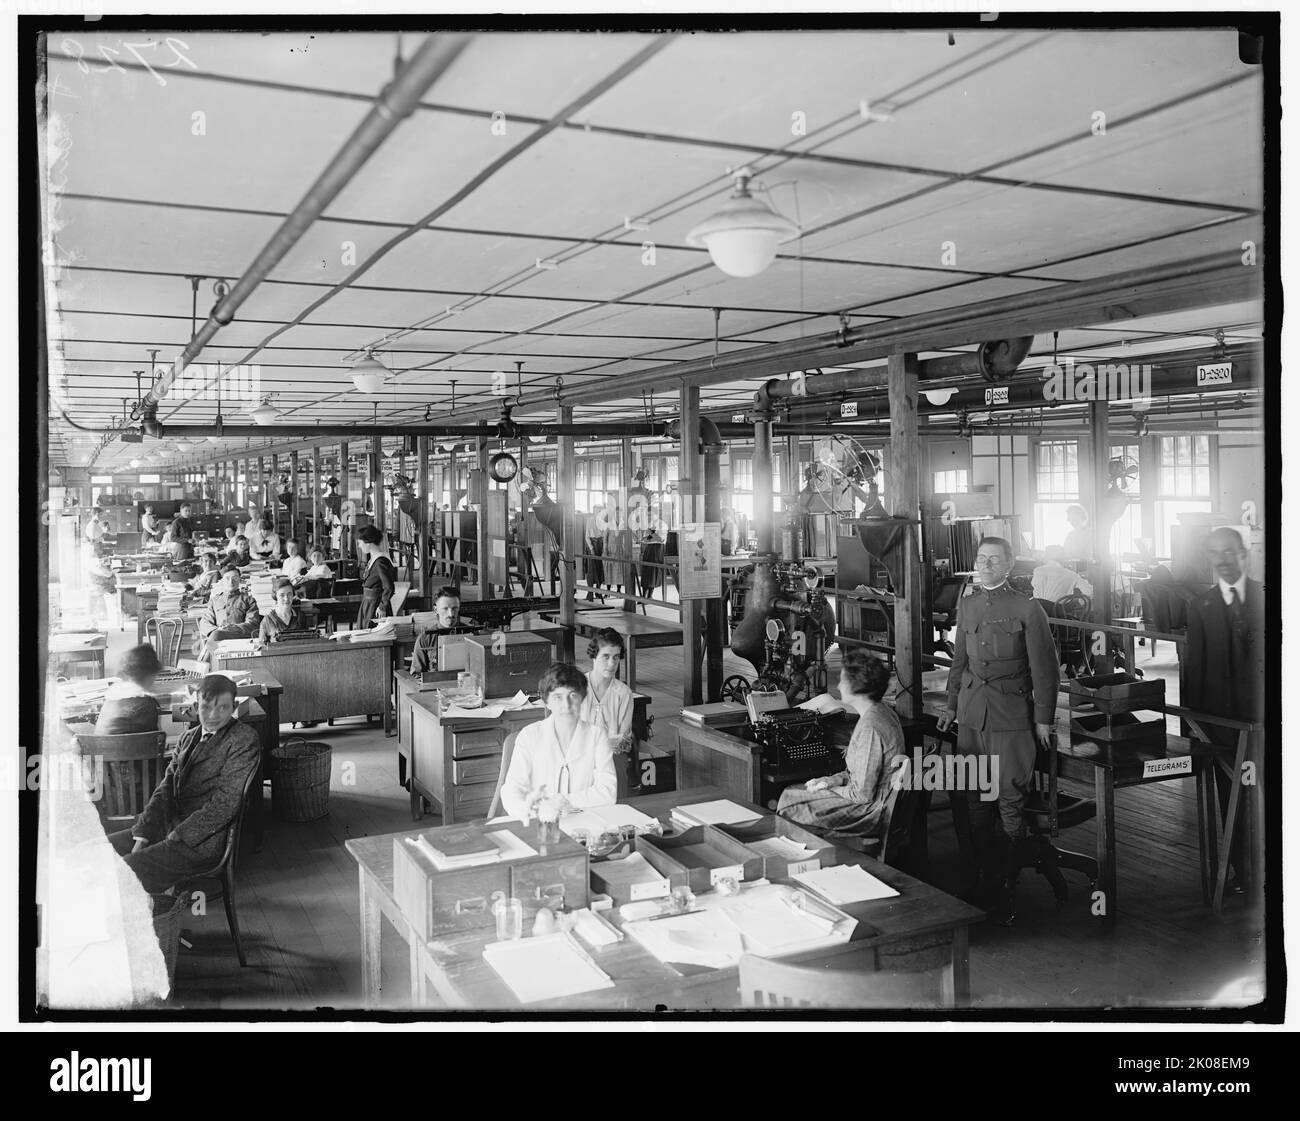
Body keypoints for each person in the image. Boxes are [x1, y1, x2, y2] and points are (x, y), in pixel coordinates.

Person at [937, 536, 1059, 920]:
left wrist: (1042, 719)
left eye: (994, 559)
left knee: (1009, 797)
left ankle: (1006, 890)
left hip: (1011, 715)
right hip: (973, 715)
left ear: (1009, 565)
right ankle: (981, 879)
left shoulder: (1027, 608)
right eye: (981, 558)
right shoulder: (969, 604)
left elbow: (1045, 669)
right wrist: (951, 705)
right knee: (975, 795)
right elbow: (959, 661)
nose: (985, 564)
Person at [107, 674, 261, 895]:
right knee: (92, 852)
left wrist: (180, 833)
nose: (213, 715)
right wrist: (144, 832)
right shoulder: (187, 737)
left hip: (200, 843)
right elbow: (165, 790)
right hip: (168, 827)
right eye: (206, 707)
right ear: (196, 705)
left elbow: (226, 803)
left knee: (119, 874)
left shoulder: (243, 739)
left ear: (234, 706)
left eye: (223, 708)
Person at [1181, 527, 1264, 895]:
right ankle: (1242, 875)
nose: (1223, 559)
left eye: (1229, 551)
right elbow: (1194, 668)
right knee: (1232, 799)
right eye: (1215, 552)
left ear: (1243, 553)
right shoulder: (1201, 605)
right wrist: (1194, 728)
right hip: (1223, 727)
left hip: (1267, 723)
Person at [777, 650, 906, 842]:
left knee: (791, 803)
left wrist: (829, 790)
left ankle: (807, 859)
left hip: (870, 812)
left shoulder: (870, 727)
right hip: (874, 799)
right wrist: (831, 781)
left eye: (843, 680)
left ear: (857, 686)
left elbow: (862, 795)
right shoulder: (882, 712)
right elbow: (860, 777)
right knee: (792, 793)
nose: (838, 685)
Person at [500, 663, 618, 821]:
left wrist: (560, 803)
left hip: (585, 823)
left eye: (573, 696)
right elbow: (512, 791)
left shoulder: (597, 736)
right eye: (558, 697)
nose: (566, 705)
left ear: (582, 698)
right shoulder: (530, 735)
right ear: (546, 702)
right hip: (538, 822)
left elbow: (608, 792)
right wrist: (532, 810)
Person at [580, 628, 634, 746]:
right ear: (594, 656)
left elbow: (622, 739)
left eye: (616, 657)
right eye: (606, 656)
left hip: (611, 758)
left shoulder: (624, 693)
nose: (611, 664)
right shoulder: (577, 687)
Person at [96, 644, 163, 735]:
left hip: (100, 748)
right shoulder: (146, 704)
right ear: (149, 674)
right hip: (132, 748)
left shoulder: (111, 697)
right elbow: (155, 740)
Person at [409, 586, 477, 673]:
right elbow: (417, 674)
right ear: (436, 609)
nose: (451, 614)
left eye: (454, 608)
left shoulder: (471, 635)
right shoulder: (425, 639)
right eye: (445, 609)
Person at [197, 566, 261, 657]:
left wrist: (229, 629)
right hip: (217, 641)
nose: (231, 582)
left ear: (240, 580)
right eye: (227, 578)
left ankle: (202, 665)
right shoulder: (215, 600)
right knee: (216, 635)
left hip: (239, 640)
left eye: (234, 578)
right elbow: (204, 623)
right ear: (222, 581)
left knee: (216, 635)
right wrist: (217, 630)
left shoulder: (248, 600)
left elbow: (253, 623)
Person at [355, 525, 396, 628]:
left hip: (375, 605)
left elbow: (389, 587)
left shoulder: (380, 561)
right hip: (368, 603)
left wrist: (382, 606)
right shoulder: (373, 560)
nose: (359, 546)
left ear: (368, 542)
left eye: (360, 543)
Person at [257, 578, 310, 644]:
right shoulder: (267, 620)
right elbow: (262, 647)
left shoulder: (301, 617)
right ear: (276, 597)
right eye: (282, 595)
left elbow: (307, 642)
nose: (286, 598)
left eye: (289, 594)